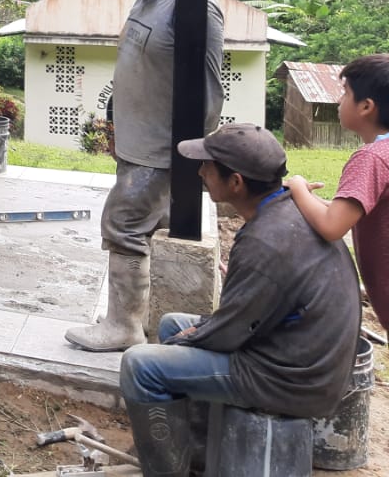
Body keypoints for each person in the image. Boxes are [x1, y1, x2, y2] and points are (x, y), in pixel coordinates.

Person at [119, 123, 360, 477]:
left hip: (290, 380)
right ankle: (198, 454)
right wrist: (191, 334)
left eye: (208, 166)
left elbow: (230, 331)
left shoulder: (265, 241)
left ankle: (167, 471)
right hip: (303, 360)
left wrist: (192, 337)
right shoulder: (289, 210)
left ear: (236, 182)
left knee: (140, 365)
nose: (201, 172)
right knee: (172, 324)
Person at [66, 0, 224, 352]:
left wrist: (189, 155)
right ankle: (139, 319)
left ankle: (124, 326)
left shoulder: (195, 7)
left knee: (123, 225)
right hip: (135, 143)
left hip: (160, 150)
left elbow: (209, 91)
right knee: (141, 228)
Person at [285, 52, 389, 328]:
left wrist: (297, 187)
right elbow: (349, 212)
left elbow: (332, 226)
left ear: (366, 106)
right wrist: (309, 199)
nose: (339, 101)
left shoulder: (372, 158)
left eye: (345, 93)